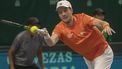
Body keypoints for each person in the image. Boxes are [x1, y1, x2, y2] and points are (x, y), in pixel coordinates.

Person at [34, 0, 116, 69]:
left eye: (65, 10)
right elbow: (51, 43)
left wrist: (106, 26)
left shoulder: (83, 18)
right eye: (60, 12)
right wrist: (46, 35)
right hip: (88, 58)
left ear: (71, 10)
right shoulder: (59, 28)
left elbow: (102, 23)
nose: (63, 14)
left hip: (102, 52)